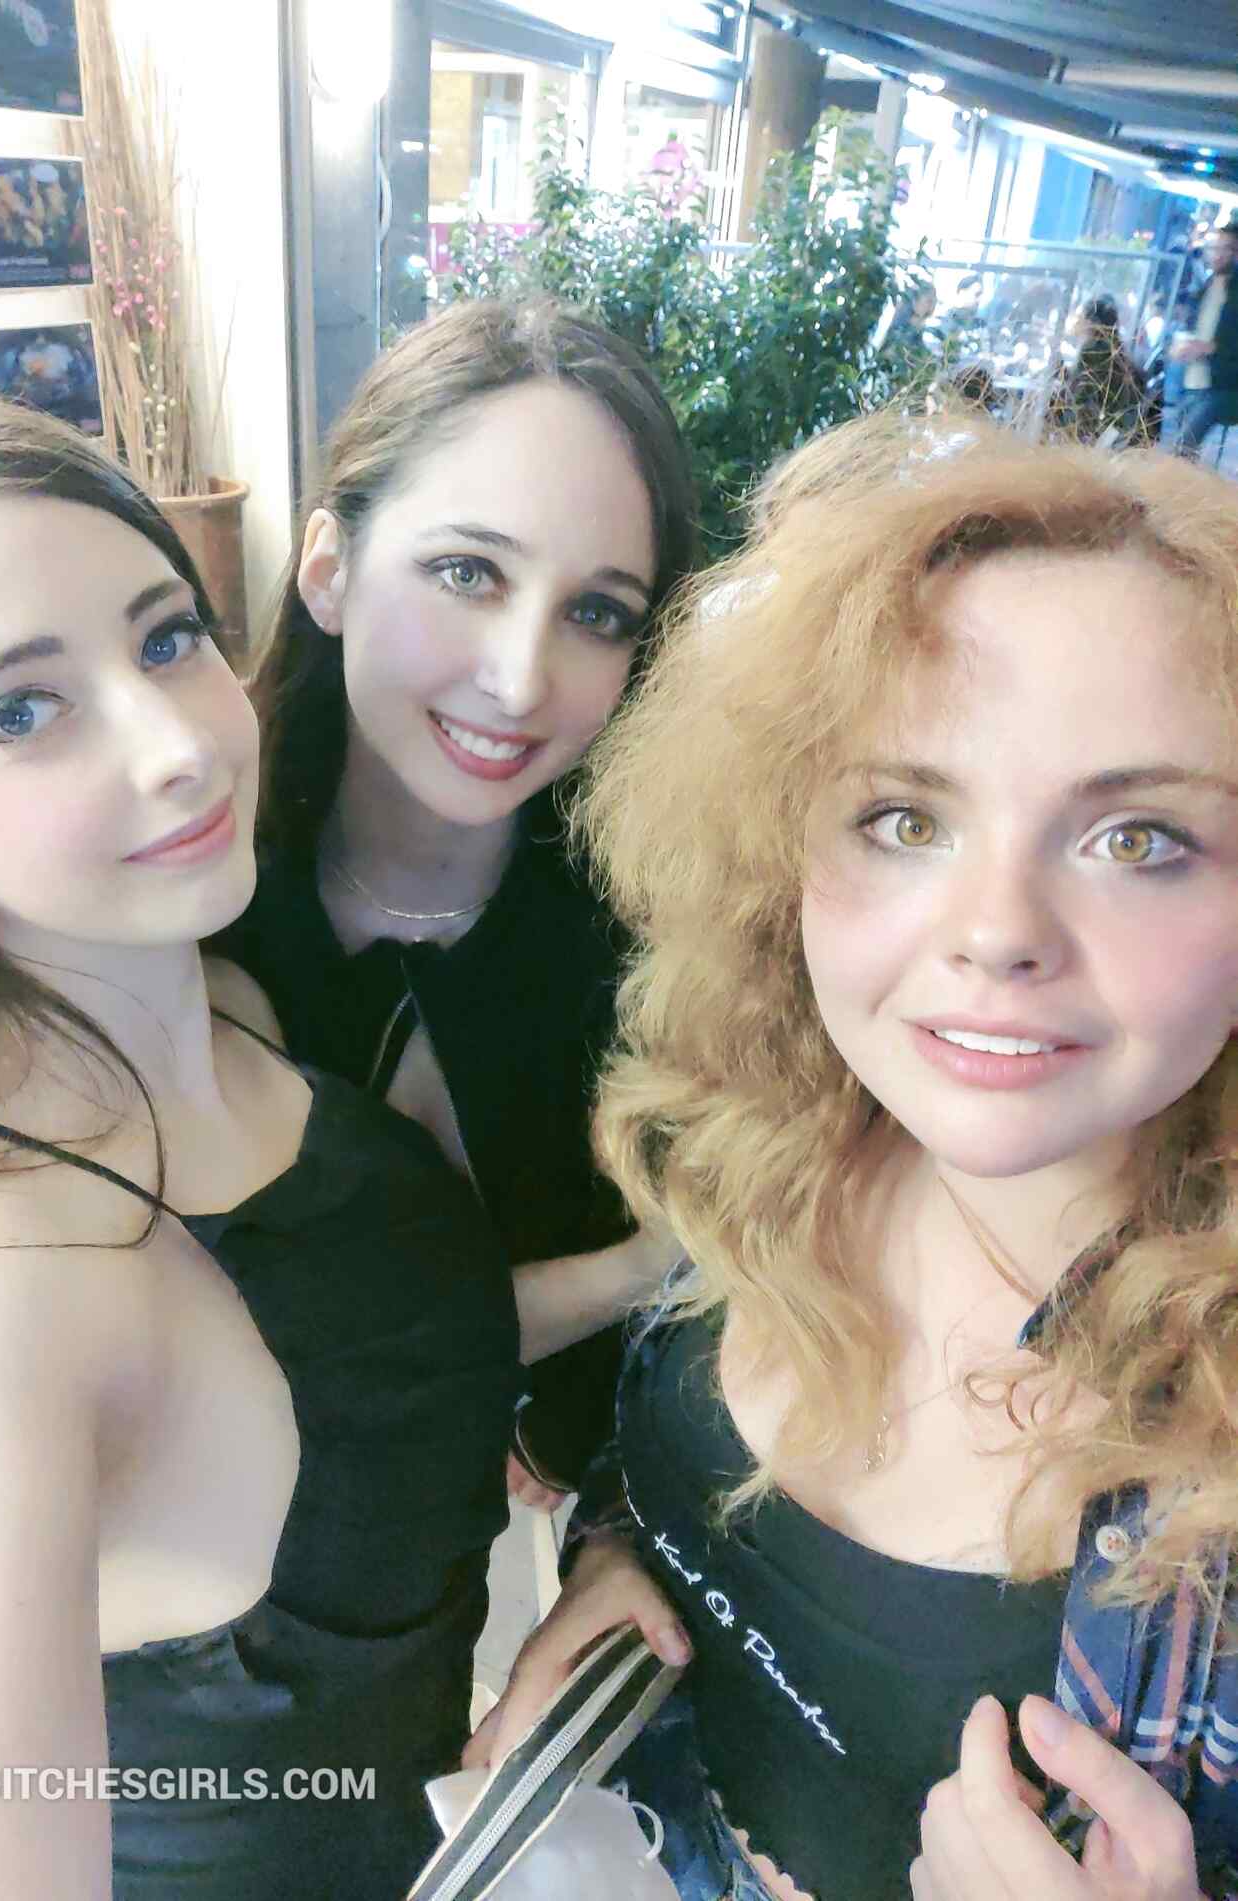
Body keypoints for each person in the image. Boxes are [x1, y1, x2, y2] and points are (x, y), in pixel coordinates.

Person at [473, 411, 1238, 1900]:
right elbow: (690, 1480)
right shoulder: (781, 1140)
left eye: (1138, 837)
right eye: (903, 817)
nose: (997, 931)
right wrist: (630, 1558)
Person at [0, 397, 522, 1900]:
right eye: (18, 711)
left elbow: (355, 1339)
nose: (182, 748)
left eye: (166, 638)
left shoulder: (221, 993)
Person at [218, 298, 697, 1505]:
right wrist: (635, 1267)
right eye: (467, 571)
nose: (520, 678)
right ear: (328, 568)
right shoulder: (184, 922)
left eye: (595, 611)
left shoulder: (670, 948)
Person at [1170, 218, 1238, 459]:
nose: (1218, 254)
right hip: (1190, 379)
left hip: (1221, 386)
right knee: (1181, 450)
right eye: (1214, 247)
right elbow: (1192, 329)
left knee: (1181, 449)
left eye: (1226, 248)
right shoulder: (1205, 287)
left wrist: (1210, 348)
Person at [1048, 294, 1151, 448]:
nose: (1078, 321)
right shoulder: (1112, 346)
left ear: (1091, 323)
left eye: (1081, 317)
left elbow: (1081, 396)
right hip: (1121, 428)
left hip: (1109, 431)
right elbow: (1088, 381)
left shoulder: (1094, 348)